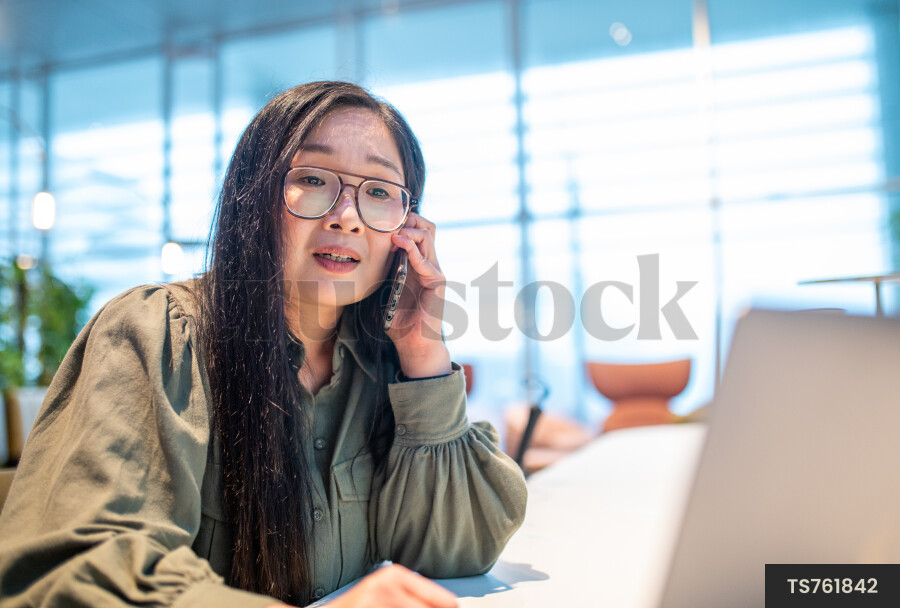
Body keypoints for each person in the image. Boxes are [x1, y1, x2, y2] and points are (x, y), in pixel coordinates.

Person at [0, 81, 527, 607]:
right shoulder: (160, 333)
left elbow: (456, 550)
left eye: (379, 192)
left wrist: (422, 352)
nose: (347, 216)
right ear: (253, 197)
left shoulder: (384, 364)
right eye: (314, 179)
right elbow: (80, 572)